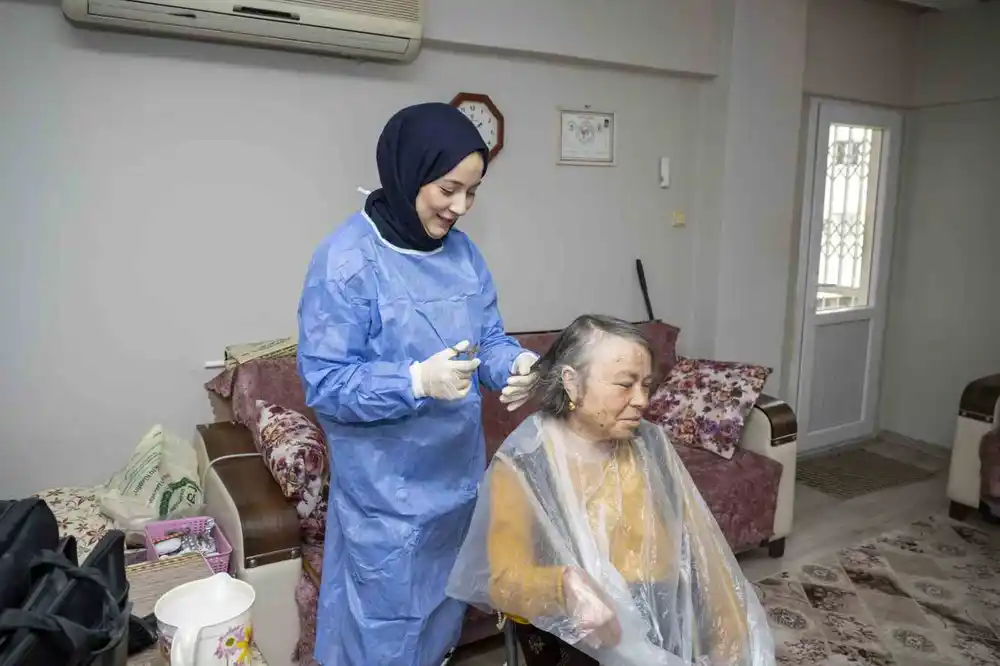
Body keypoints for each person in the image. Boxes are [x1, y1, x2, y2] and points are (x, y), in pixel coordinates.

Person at [297, 102, 539, 666]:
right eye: (449, 189)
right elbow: (327, 383)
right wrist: (414, 381)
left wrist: (517, 365)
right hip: (386, 503)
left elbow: (488, 340)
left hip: (455, 487)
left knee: (439, 625)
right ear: (408, 172)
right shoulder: (346, 261)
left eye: (472, 193)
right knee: (383, 637)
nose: (460, 207)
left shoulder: (464, 255)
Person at [447, 315, 775, 666]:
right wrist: (563, 586)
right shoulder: (525, 464)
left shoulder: (649, 443)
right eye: (625, 384)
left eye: (646, 385)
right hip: (584, 633)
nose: (641, 400)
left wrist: (731, 633)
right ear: (572, 382)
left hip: (669, 612)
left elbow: (700, 550)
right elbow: (503, 581)